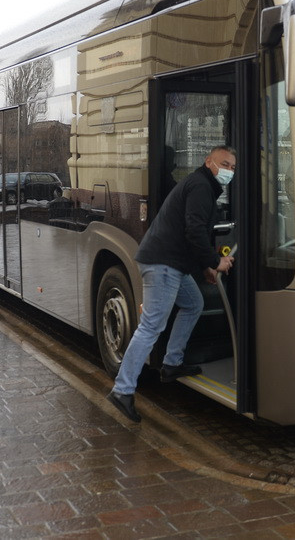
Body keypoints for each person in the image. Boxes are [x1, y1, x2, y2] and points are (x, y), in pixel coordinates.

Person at [106, 145, 236, 422]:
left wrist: (205, 267)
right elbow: (194, 230)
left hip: (171, 262)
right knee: (151, 326)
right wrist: (216, 261)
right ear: (209, 162)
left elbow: (189, 232)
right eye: (224, 164)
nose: (229, 171)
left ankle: (172, 363)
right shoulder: (201, 186)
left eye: (233, 167)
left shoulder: (202, 185)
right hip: (164, 264)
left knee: (193, 303)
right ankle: (122, 390)